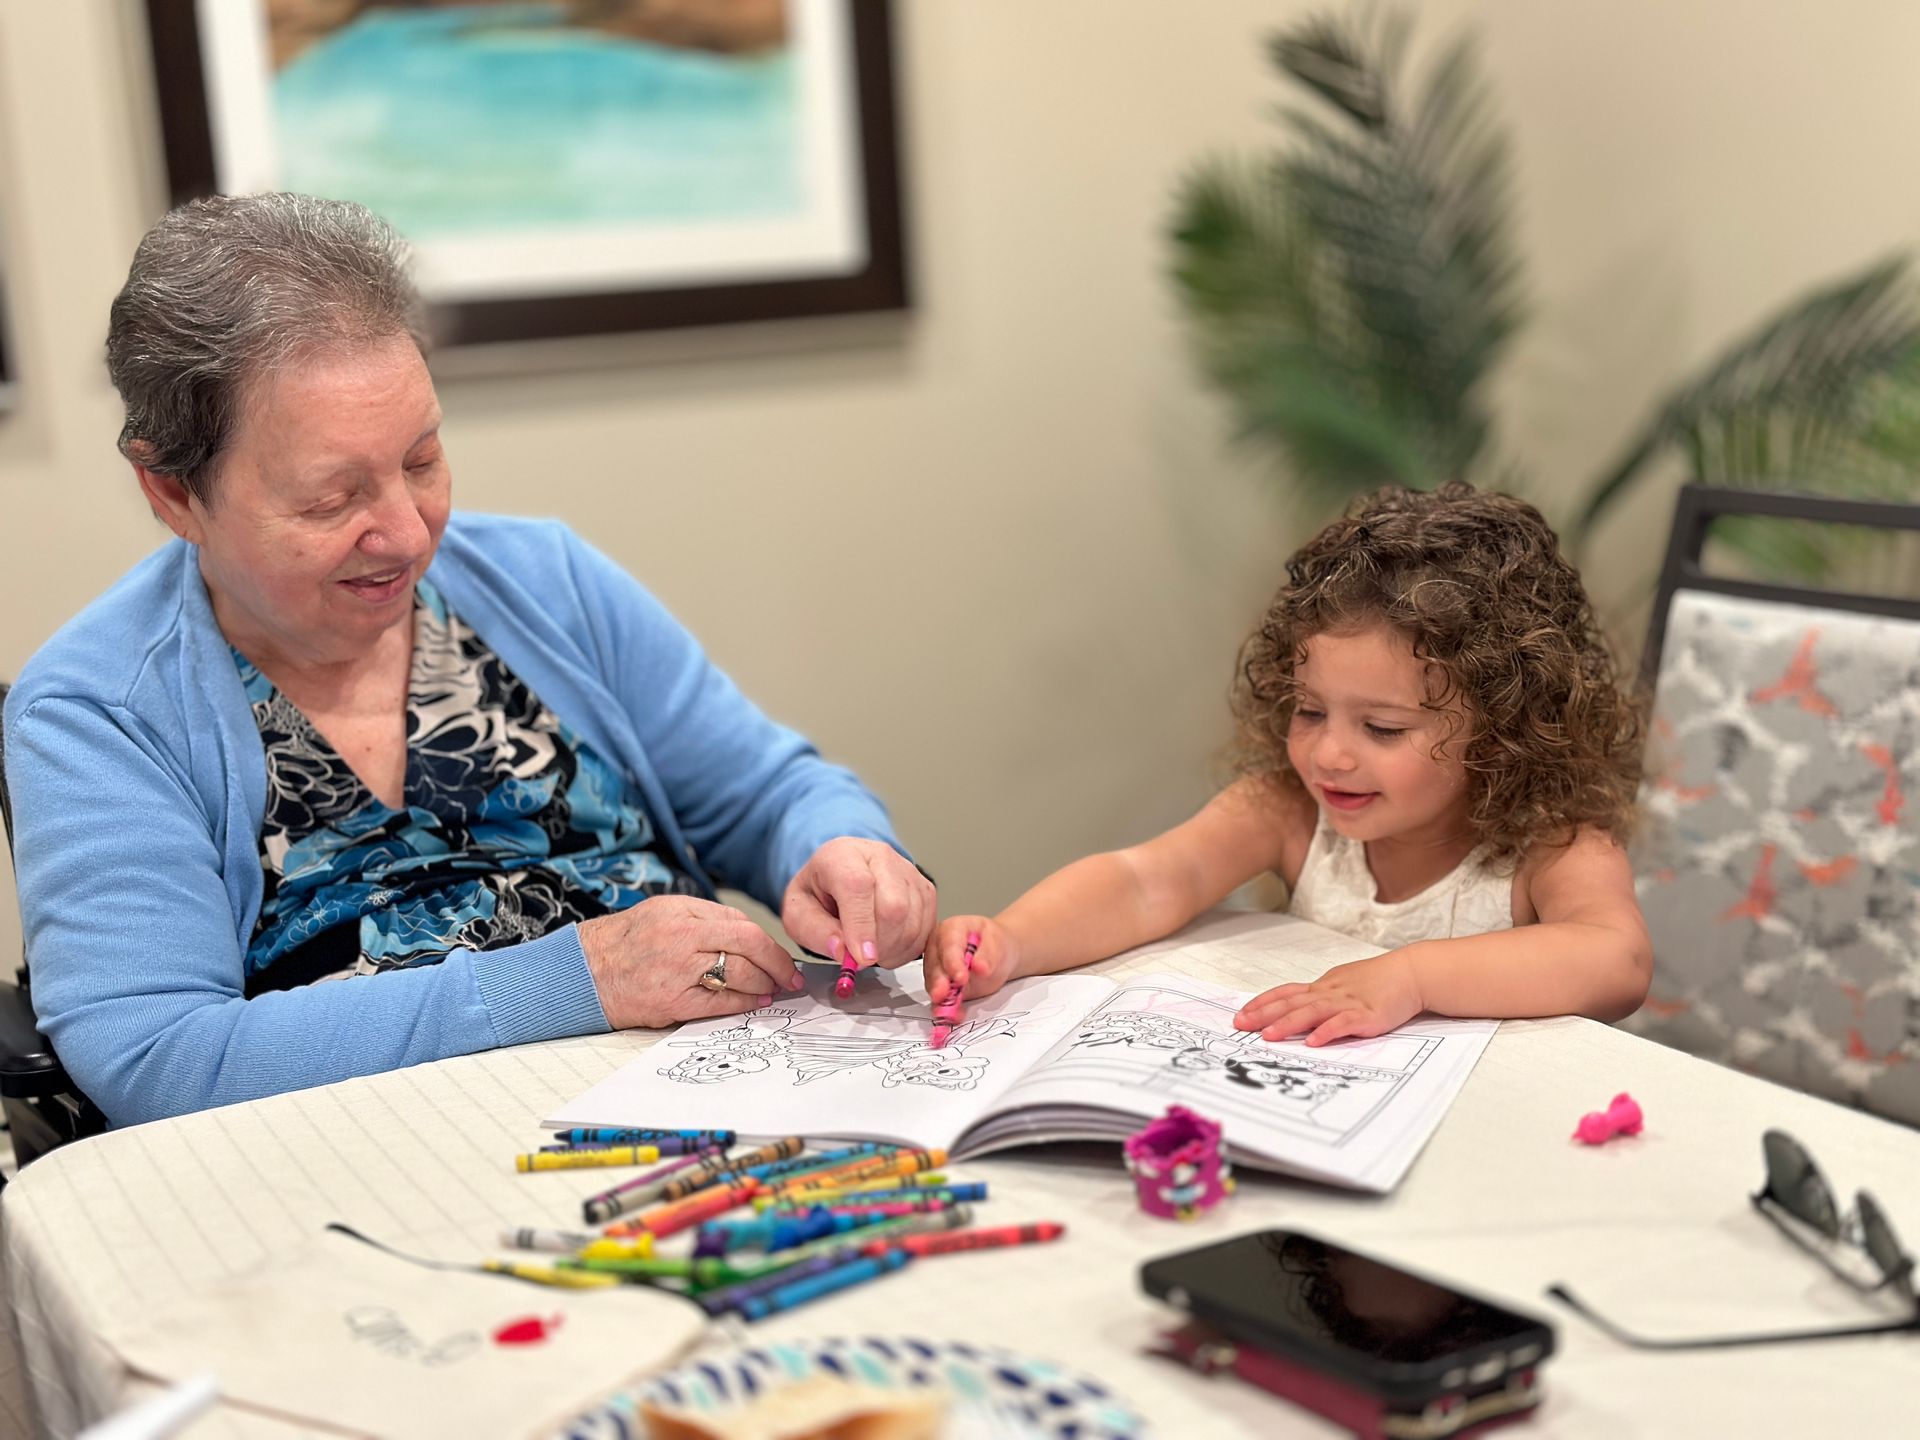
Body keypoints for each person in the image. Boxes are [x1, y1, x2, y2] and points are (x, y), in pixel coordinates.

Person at [3, 193, 935, 1128]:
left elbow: (765, 794)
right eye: (333, 500)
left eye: (421, 459)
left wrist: (839, 850)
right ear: (171, 491)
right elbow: (161, 1054)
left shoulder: (548, 581)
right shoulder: (99, 710)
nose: (408, 535)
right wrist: (574, 980)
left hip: (721, 1097)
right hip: (390, 1151)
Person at [927, 483, 1650, 1044]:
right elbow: (1147, 882)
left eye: (1382, 727)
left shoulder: (1552, 842)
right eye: (1309, 711)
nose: (1329, 753)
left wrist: (1412, 977)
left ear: (1502, 731)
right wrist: (1014, 941)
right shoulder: (1286, 810)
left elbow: (1616, 962)